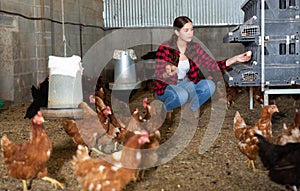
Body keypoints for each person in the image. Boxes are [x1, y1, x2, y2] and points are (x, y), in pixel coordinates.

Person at [154, 16, 251, 120]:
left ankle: (191, 109)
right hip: (166, 86)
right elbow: (159, 74)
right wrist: (168, 73)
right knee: (182, 95)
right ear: (177, 32)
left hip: (185, 83)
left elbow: (211, 65)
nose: (190, 33)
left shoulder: (194, 48)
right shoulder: (165, 48)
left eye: (191, 30)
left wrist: (235, 59)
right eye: (186, 30)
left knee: (210, 86)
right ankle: (166, 108)